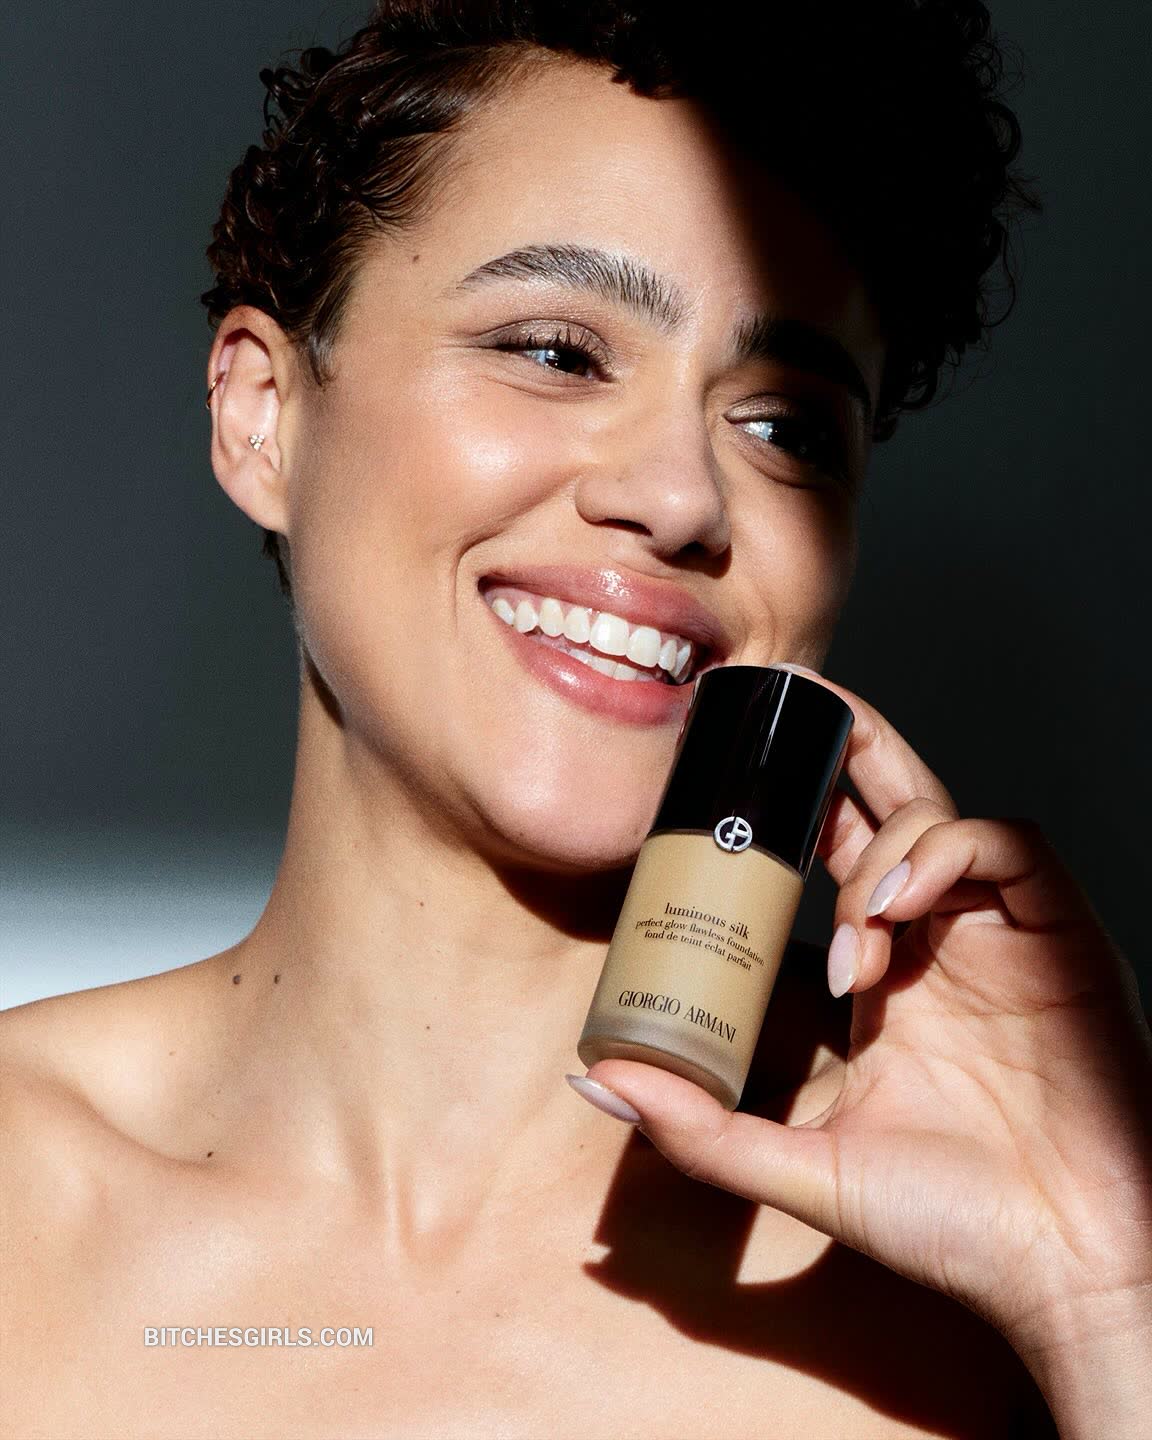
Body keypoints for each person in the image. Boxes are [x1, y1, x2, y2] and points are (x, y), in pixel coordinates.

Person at [2, 1, 1149, 1435]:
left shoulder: (992, 1285)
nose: (680, 495)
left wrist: (1103, 1286)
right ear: (263, 415)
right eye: (556, 350)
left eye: (786, 427)